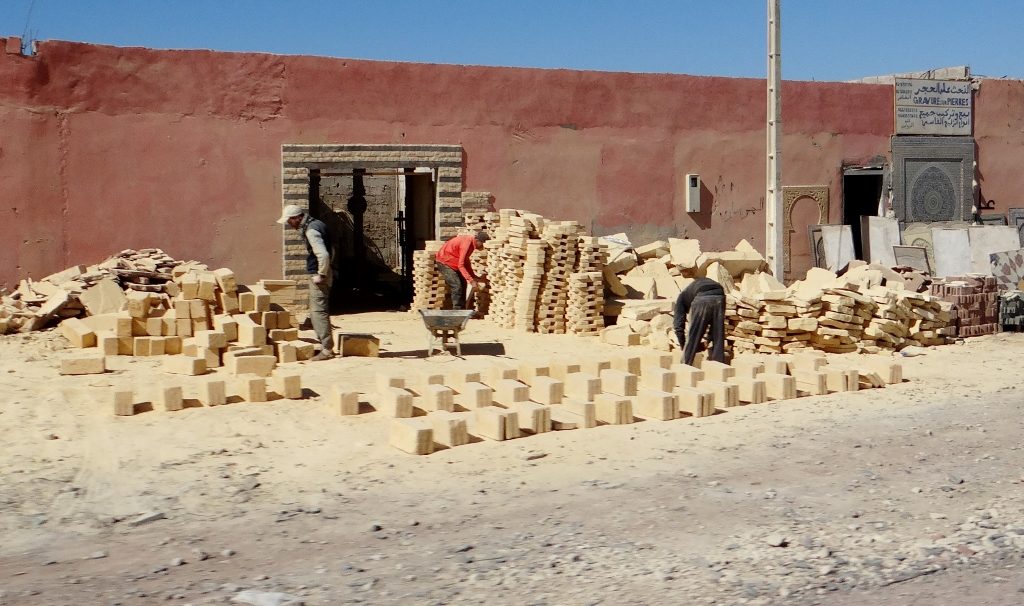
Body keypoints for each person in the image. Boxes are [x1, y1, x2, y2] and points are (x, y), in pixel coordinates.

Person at [277, 204, 334, 361]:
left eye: (290, 221)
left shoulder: (311, 230)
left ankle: (327, 350)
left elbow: (323, 255)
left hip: (319, 275)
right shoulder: (318, 224)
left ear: (297, 218)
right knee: (318, 310)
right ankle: (326, 346)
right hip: (324, 272)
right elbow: (332, 249)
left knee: (318, 312)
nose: (289, 225)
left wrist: (321, 274)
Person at [673, 277, 726, 366]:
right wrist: (708, 341)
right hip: (720, 294)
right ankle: (718, 368)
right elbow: (714, 326)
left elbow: (678, 326)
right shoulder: (690, 291)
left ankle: (685, 367)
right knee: (718, 333)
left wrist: (683, 346)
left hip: (702, 296)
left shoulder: (681, 299)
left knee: (693, 335)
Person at [435, 230, 490, 310]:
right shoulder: (467, 244)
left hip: (453, 261)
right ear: (478, 241)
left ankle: (462, 309)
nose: (483, 247)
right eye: (482, 244)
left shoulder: (471, 243)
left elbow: (466, 262)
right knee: (457, 286)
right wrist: (471, 281)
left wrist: (473, 276)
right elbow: (461, 265)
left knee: (463, 284)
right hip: (445, 261)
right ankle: (457, 311)